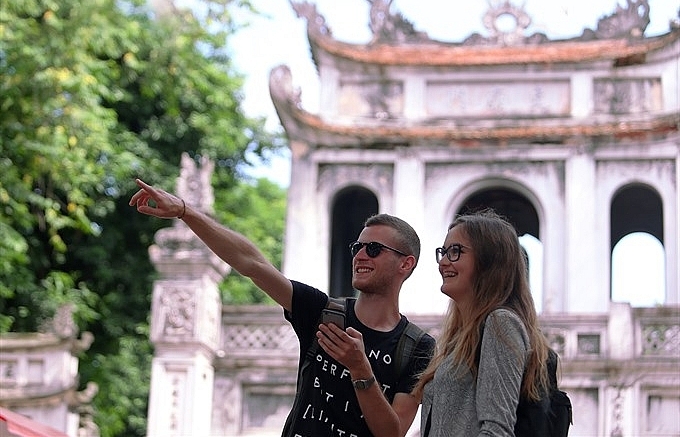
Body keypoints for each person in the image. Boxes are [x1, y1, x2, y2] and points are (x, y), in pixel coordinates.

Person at [129, 178, 435, 437]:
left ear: (405, 264)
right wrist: (185, 211)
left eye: (374, 249)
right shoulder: (324, 312)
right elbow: (251, 262)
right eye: (358, 247)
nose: (360, 256)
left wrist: (360, 369)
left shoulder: (417, 346)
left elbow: (392, 433)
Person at [412, 209, 550, 436]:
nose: (443, 262)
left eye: (455, 252)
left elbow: (496, 430)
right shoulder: (461, 336)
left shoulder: (500, 323)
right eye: (443, 252)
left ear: (489, 262)